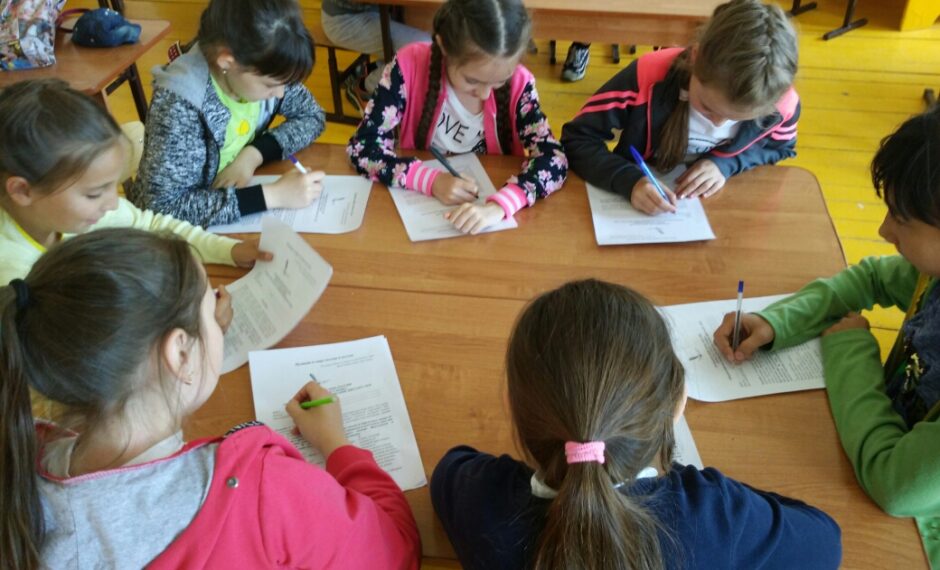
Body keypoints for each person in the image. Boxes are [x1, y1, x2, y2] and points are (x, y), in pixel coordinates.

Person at [0, 228, 422, 569]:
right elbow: (395, 550)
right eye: (209, 306)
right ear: (179, 354)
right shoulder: (264, 491)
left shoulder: (18, 465)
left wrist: (199, 329)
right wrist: (337, 444)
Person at [431, 279, 842, 570]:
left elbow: (451, 468)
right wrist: (705, 489)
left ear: (510, 406)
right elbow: (825, 544)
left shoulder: (482, 502)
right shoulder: (713, 514)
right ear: (677, 405)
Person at [713, 107, 940, 566]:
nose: (883, 230)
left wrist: (851, 350)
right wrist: (780, 322)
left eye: (901, 218)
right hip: (872, 453)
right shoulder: (930, 274)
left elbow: (896, 487)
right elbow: (871, 278)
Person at [0, 79, 266, 285]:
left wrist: (230, 250)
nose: (113, 203)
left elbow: (151, 226)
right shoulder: (12, 278)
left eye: (112, 185)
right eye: (94, 194)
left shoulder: (69, 214)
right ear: (23, 191)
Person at [347, 0, 567, 236]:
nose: (484, 94)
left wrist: (500, 205)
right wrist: (431, 181)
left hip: (491, 218)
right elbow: (363, 146)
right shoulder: (408, 65)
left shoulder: (520, 84)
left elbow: (553, 158)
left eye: (499, 81)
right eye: (472, 80)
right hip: (424, 208)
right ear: (443, 45)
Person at [562, 0, 799, 215]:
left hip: (713, 207)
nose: (717, 123)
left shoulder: (781, 105)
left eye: (735, 119)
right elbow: (577, 139)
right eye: (707, 108)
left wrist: (724, 165)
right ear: (694, 57)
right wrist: (629, 180)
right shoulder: (647, 76)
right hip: (637, 198)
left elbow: (780, 147)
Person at [129, 0, 327, 228]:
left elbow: (312, 116)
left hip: (223, 214)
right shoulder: (179, 104)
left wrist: (253, 155)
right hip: (172, 234)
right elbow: (162, 207)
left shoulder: (265, 66)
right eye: (271, 85)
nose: (281, 93)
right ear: (226, 62)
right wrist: (272, 196)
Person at [319, 0, 431, 114]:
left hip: (379, 12)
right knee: (424, 52)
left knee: (432, 42)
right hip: (344, 19)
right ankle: (365, 87)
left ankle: (371, 70)